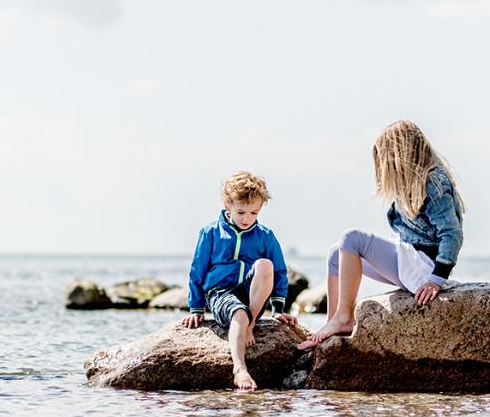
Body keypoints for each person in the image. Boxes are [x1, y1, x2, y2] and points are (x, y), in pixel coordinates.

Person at [298, 120, 466, 351]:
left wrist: (437, 279)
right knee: (336, 254)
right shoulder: (414, 184)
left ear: (401, 156)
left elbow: (452, 234)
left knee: (351, 238)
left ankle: (345, 317)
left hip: (423, 267)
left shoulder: (433, 182)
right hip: (410, 262)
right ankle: (333, 322)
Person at [183, 171, 297, 391]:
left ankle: (250, 324)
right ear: (228, 204)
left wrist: (277, 309)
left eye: (254, 212)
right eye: (241, 212)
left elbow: (280, 272)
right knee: (239, 313)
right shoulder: (210, 233)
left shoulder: (265, 235)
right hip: (220, 292)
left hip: (251, 294)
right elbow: (197, 270)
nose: (247, 219)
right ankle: (240, 368)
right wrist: (196, 308)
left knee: (266, 264)